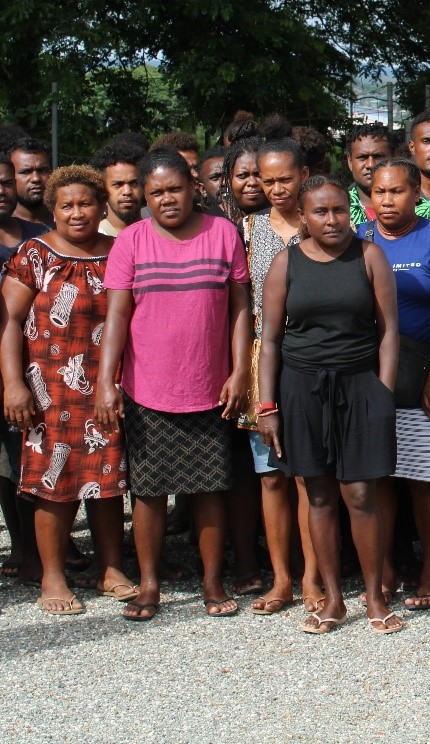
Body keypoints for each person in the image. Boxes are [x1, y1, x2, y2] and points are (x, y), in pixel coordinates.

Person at [95, 150, 252, 621]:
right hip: (147, 388)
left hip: (210, 385)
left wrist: (240, 369)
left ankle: (211, 581)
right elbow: (117, 315)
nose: (167, 199)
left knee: (209, 488)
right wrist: (107, 381)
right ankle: (147, 582)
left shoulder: (223, 233)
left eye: (175, 189)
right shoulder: (132, 242)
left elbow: (240, 308)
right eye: (157, 192)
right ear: (145, 195)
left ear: (193, 188)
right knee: (148, 491)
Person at [257, 176, 401, 635]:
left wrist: (383, 392)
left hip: (360, 386)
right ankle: (334, 598)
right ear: (304, 216)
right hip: (301, 389)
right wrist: (267, 405)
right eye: (320, 212)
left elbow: (389, 331)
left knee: (360, 494)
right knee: (317, 492)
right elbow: (271, 341)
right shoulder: (286, 263)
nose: (332, 219)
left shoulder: (370, 256)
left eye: (340, 210)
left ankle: (375, 596)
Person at [2, 167, 134, 614]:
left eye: (86, 204)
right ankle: (53, 577)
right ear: (53, 210)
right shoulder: (34, 254)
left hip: (106, 387)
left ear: (102, 207)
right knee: (53, 484)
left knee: (108, 477)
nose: (77, 213)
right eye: (67, 205)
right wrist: (14, 384)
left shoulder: (119, 252)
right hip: (47, 391)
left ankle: (110, 568)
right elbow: (9, 324)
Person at [362, 158, 430, 613]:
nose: (386, 200)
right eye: (378, 192)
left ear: (416, 194)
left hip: (424, 375)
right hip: (368, 376)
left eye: (396, 191)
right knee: (376, 478)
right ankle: (381, 569)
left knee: (426, 480)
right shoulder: (358, 239)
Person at [238, 137, 316, 615]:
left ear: (303, 175)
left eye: (284, 178)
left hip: (312, 360)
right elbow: (239, 304)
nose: (275, 188)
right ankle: (281, 578)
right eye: (267, 180)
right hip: (261, 362)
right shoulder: (246, 229)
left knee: (308, 476)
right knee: (270, 476)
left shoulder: (323, 222)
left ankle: (313, 575)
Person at [0, 159, 49, 584]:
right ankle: (21, 545)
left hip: (27, 370)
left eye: (3, 181)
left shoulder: (37, 240)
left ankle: (39, 552)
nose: (1, 189)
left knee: (23, 463)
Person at [89, 142, 146, 236]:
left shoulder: (159, 235)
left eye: (134, 183)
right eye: (118, 184)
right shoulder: (93, 240)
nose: (127, 191)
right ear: (103, 188)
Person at [344, 124, 394, 226]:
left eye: (378, 156)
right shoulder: (337, 210)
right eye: (362, 157)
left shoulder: (419, 208)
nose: (370, 165)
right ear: (350, 161)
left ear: (394, 158)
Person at [215, 136, 267, 225]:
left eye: (258, 174)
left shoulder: (286, 217)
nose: (252, 182)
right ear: (228, 179)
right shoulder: (214, 221)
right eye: (242, 176)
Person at [9, 138, 54, 228]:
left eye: (43, 170)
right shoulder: (4, 228)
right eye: (26, 172)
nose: (36, 178)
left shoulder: (67, 223)